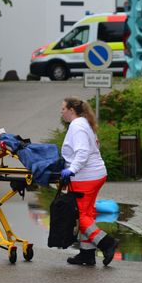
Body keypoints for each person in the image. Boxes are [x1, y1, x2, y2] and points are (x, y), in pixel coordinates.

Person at [59, 97, 118, 266]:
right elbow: (94, 146)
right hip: (95, 174)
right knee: (88, 213)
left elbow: (83, 152)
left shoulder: (77, 126)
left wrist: (72, 169)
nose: (61, 111)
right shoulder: (84, 123)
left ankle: (106, 243)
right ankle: (87, 254)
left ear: (71, 110)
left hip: (85, 178)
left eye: (63, 108)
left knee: (80, 215)